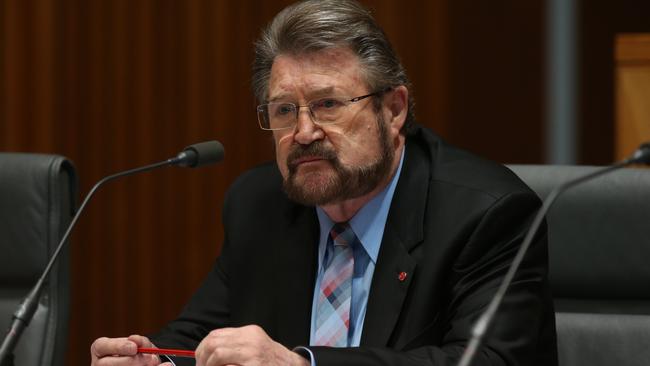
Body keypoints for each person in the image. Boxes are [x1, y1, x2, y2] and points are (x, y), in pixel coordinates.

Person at [90, 1, 558, 365]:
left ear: (393, 110)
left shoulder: (485, 215)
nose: (305, 131)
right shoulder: (259, 204)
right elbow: (198, 336)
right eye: (284, 110)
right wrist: (154, 359)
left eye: (329, 104)